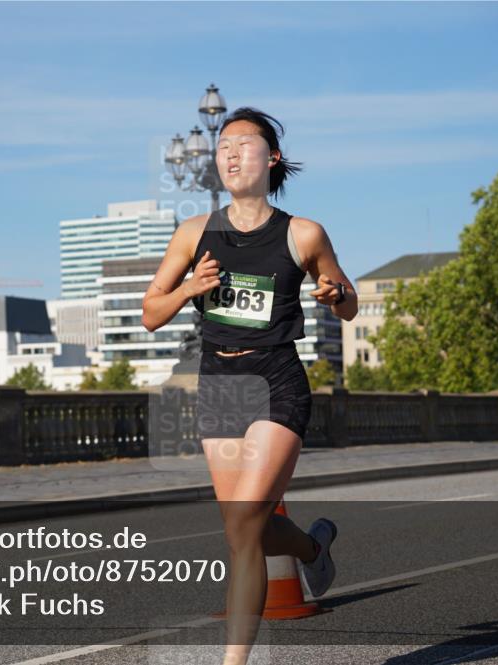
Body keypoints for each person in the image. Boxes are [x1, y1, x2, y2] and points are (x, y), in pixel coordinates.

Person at [142, 107, 358, 665]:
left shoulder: (303, 233)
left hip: (276, 380)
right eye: (222, 147)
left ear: (273, 158)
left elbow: (348, 301)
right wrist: (190, 287)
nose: (231, 154)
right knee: (248, 531)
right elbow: (150, 314)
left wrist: (335, 294)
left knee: (242, 530)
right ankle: (312, 547)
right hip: (218, 385)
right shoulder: (195, 233)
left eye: (243, 144)